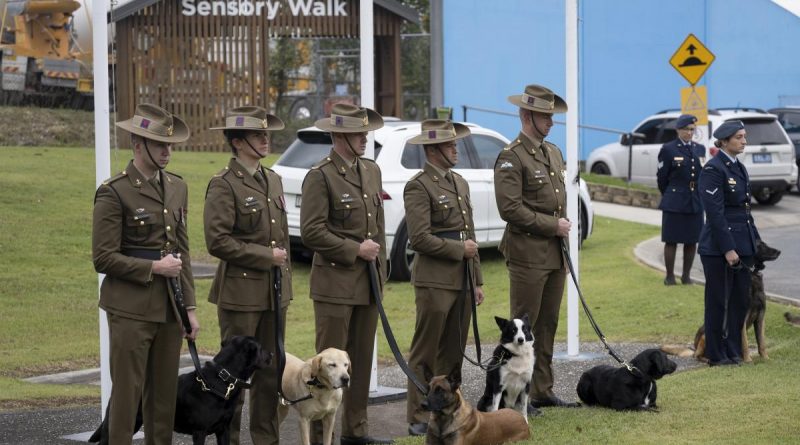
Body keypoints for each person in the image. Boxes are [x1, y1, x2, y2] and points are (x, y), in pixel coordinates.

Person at [93, 103, 200, 444]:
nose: (167, 151)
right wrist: (153, 267)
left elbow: (181, 250)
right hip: (130, 309)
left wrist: (190, 309)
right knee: (127, 395)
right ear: (138, 145)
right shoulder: (115, 191)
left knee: (164, 395)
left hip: (169, 308)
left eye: (170, 145)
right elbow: (103, 258)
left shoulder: (177, 187)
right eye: (160, 145)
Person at [300, 103, 393, 445]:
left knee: (360, 362)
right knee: (329, 367)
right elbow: (311, 231)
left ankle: (356, 431)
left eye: (366, 132)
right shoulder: (320, 175)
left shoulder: (370, 170)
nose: (365, 138)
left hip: (367, 284)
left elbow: (378, 227)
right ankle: (328, 433)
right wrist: (355, 249)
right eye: (357, 133)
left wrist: (380, 272)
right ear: (339, 135)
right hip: (335, 285)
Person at [204, 106, 291, 445]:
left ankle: (266, 440)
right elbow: (218, 241)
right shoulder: (224, 185)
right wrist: (265, 256)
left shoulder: (273, 179)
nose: (265, 140)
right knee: (233, 377)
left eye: (266, 134)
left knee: (270, 373)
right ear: (237, 142)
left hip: (273, 292)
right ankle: (229, 440)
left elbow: (280, 234)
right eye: (258, 136)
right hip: (240, 294)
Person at [493, 84, 578, 413]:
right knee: (521, 330)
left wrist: (565, 248)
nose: (551, 122)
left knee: (547, 324)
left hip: (554, 254)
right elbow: (510, 209)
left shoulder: (552, 152)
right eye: (545, 116)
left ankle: (542, 389)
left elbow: (559, 205)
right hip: (528, 254)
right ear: (527, 115)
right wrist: (551, 227)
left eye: (552, 116)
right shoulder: (512, 157)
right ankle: (515, 398)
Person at [403, 120, 485, 436]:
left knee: (453, 353)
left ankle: (449, 411)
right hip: (434, 280)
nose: (456, 150)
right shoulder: (419, 186)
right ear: (434, 149)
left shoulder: (459, 182)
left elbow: (471, 235)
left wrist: (476, 279)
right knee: (426, 351)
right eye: (450, 146)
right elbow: (419, 238)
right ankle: (418, 415)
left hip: (461, 279)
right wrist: (458, 249)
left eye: (455, 144)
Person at [698, 120, 760, 366]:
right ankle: (715, 353)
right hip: (718, 247)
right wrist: (728, 248)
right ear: (724, 141)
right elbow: (715, 213)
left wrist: (754, 242)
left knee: (739, 301)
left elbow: (745, 210)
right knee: (718, 300)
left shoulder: (739, 168)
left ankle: (734, 350)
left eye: (745, 136)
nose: (744, 140)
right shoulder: (714, 169)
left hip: (743, 244)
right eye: (739, 137)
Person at [656, 114, 706, 285]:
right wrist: (670, 193)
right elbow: (662, 177)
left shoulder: (700, 149)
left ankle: (686, 275)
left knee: (692, 240)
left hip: (694, 200)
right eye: (686, 129)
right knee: (671, 239)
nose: (689, 133)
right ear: (678, 130)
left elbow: (701, 174)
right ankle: (670, 276)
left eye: (692, 130)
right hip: (675, 200)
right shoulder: (669, 149)